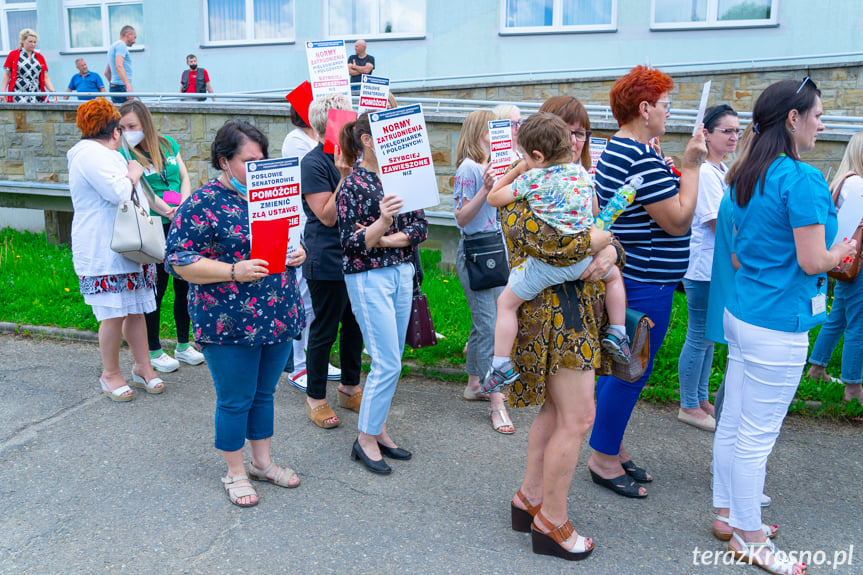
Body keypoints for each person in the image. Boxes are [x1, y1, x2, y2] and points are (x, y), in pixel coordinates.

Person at [713, 78, 856, 575]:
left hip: (743, 312)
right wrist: (845, 249)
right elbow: (815, 260)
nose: (823, 122)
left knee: (734, 424)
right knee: (756, 435)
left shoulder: (745, 172)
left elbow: (737, 247)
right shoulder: (802, 178)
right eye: (817, 114)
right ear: (792, 119)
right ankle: (751, 538)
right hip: (777, 323)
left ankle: (728, 515)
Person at [499, 106, 624, 559]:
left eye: (582, 134)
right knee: (578, 419)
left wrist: (611, 253)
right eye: (569, 133)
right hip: (554, 319)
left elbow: (595, 237)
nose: (576, 142)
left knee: (556, 414)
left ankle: (530, 499)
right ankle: (551, 521)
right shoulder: (520, 191)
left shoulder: (567, 183)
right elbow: (561, 246)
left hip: (568, 314)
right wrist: (608, 243)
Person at [165, 120, 306, 507]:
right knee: (235, 399)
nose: (259, 168)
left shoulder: (272, 195)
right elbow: (178, 261)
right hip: (228, 322)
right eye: (249, 161)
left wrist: (299, 252)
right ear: (224, 162)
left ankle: (262, 463)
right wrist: (232, 271)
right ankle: (235, 471)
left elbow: (292, 237)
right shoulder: (202, 203)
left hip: (276, 313)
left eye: (263, 159)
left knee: (264, 395)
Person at [587, 65, 707, 498]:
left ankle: (610, 445)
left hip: (635, 276)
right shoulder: (638, 154)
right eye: (664, 105)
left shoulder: (626, 149)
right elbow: (676, 220)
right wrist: (692, 167)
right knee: (629, 371)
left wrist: (670, 169)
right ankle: (601, 458)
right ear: (644, 108)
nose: (668, 113)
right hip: (645, 280)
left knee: (621, 367)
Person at [484, 112, 631, 393]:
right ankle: (618, 331)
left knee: (506, 304)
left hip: (545, 268)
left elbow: (494, 198)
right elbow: (596, 213)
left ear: (537, 156)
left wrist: (515, 171)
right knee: (613, 278)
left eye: (525, 155)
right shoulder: (584, 175)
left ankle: (501, 364)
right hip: (584, 262)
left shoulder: (533, 179)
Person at [336, 112, 428, 473]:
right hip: (368, 275)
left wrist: (383, 237)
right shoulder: (353, 185)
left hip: (401, 271)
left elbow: (420, 227)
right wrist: (383, 222)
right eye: (388, 135)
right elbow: (352, 243)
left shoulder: (402, 176)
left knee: (394, 359)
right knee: (386, 359)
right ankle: (365, 438)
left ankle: (379, 429)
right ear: (368, 141)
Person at [66, 97, 171, 402]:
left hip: (128, 247)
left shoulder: (107, 154)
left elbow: (142, 196)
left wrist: (166, 210)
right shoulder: (90, 155)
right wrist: (134, 172)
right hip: (105, 249)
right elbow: (118, 193)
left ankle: (142, 366)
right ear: (113, 131)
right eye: (121, 128)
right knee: (112, 314)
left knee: (135, 310)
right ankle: (110, 374)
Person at [118, 100, 203, 373]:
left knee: (185, 285)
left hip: (180, 221)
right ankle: (153, 349)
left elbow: (183, 175)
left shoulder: (167, 144)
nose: (127, 131)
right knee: (156, 289)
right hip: (155, 225)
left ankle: (182, 344)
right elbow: (144, 191)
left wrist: (185, 206)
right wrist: (168, 211)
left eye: (132, 125)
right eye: (122, 127)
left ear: (146, 123)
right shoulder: (125, 153)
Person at [300, 94, 364, 428]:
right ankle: (316, 398)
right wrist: (343, 175)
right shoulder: (314, 162)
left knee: (354, 326)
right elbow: (326, 216)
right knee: (324, 330)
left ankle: (349, 387)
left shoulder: (356, 155)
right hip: (327, 259)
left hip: (357, 254)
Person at [677, 105, 740, 432]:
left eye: (736, 131)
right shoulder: (703, 171)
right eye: (726, 131)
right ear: (707, 133)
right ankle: (688, 404)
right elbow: (717, 220)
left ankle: (700, 398)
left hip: (715, 267)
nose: (733, 137)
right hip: (702, 267)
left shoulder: (720, 169)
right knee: (699, 334)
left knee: (709, 335)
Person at [453, 109, 514, 434]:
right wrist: (485, 188)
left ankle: (474, 383)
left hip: (493, 247)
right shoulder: (469, 168)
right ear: (480, 132)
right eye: (494, 129)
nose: (500, 135)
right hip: (477, 250)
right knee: (491, 326)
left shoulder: (491, 165)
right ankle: (496, 401)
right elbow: (461, 217)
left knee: (484, 323)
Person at [281, 103, 341, 389]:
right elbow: (326, 214)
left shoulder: (334, 153)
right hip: (308, 234)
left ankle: (316, 362)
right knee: (305, 304)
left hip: (332, 245)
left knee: (322, 313)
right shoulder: (303, 148)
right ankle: (300, 366)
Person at [805, 131, 863, 404]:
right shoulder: (859, 184)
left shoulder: (844, 180)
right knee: (858, 325)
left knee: (838, 317)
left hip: (845, 261)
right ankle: (853, 388)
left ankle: (817, 368)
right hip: (857, 263)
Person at [2, 29, 56, 103]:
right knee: (20, 113)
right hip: (18, 94)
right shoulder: (13, 55)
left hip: (37, 93)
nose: (33, 44)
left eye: (34, 42)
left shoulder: (39, 57)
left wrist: (53, 91)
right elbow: (6, 75)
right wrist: (3, 92)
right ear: (23, 40)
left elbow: (45, 77)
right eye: (30, 41)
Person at [105, 25, 136, 103]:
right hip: (121, 87)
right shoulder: (121, 45)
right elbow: (119, 66)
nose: (134, 41)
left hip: (115, 87)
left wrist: (114, 86)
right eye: (134, 37)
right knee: (126, 114)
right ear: (128, 35)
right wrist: (128, 86)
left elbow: (106, 72)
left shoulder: (113, 46)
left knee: (119, 114)